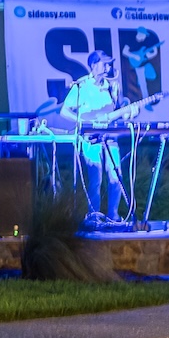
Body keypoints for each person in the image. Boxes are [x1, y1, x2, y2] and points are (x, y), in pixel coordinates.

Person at [60, 51, 125, 218]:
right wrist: (81, 121)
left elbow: (117, 111)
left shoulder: (111, 86)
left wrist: (122, 102)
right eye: (105, 63)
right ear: (94, 65)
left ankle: (113, 215)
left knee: (116, 176)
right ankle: (94, 215)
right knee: (96, 179)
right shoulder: (81, 86)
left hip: (110, 137)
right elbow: (64, 111)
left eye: (109, 64)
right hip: (90, 138)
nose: (108, 67)